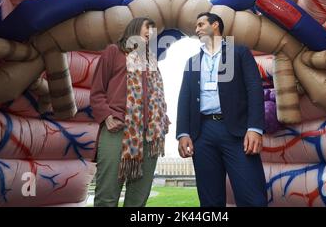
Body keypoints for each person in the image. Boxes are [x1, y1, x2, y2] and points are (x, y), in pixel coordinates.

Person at [176, 12, 267, 207]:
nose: (197, 29)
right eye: (196, 26)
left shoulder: (239, 53)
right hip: (202, 134)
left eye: (201, 24)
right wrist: (183, 133)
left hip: (237, 132)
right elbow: (184, 98)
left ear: (215, 25)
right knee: (209, 201)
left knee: (253, 198)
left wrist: (255, 128)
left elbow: (254, 89)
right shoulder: (191, 62)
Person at [90, 17, 170, 207]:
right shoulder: (114, 52)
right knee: (106, 196)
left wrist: (162, 118)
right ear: (134, 28)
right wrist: (107, 116)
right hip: (117, 130)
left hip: (151, 136)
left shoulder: (152, 61)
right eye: (147, 27)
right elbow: (97, 91)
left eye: (154, 30)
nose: (151, 32)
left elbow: (157, 96)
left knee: (138, 200)